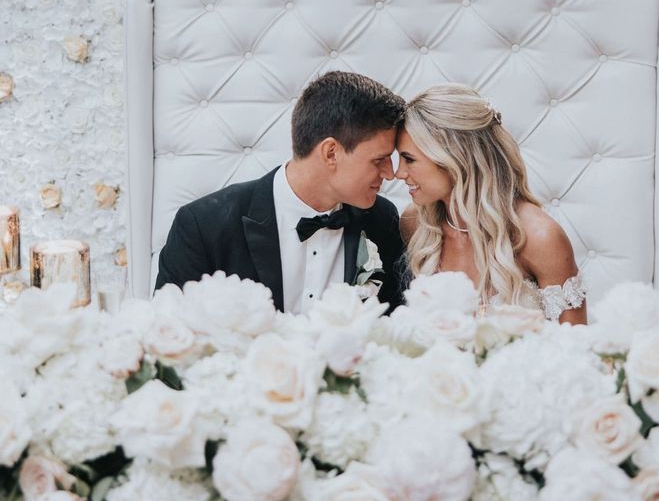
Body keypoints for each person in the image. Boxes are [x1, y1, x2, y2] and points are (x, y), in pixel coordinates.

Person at [155, 71, 407, 312]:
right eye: (379, 160)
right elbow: (168, 338)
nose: (390, 172)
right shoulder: (204, 226)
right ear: (331, 153)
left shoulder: (382, 220)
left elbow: (393, 326)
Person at [395, 83, 587, 324]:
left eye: (409, 159)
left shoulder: (539, 237)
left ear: (455, 157)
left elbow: (574, 348)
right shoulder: (416, 225)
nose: (398, 173)